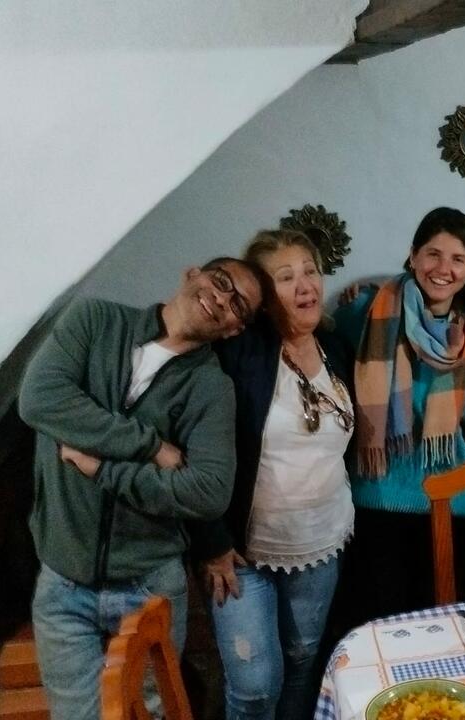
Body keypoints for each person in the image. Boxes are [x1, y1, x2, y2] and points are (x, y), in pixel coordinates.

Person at [18, 257, 264, 720]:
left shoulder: (212, 389)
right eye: (221, 282)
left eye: (238, 305)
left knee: (153, 713)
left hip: (149, 586)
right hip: (62, 583)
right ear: (191, 274)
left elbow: (208, 490)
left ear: (234, 329)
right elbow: (39, 399)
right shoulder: (94, 320)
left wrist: (101, 469)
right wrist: (151, 447)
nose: (221, 299)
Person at [189, 230, 355, 720]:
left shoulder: (336, 346)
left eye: (310, 271)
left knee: (303, 662)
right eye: (286, 277)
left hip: (320, 541)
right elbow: (197, 449)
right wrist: (211, 539)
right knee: (255, 688)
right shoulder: (236, 354)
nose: (305, 285)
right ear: (261, 298)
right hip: (241, 553)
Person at [334, 207, 465, 620]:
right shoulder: (365, 312)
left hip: (451, 501)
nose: (443, 269)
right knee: (381, 627)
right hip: (379, 500)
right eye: (433, 254)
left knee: (446, 629)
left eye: (458, 259)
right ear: (413, 256)